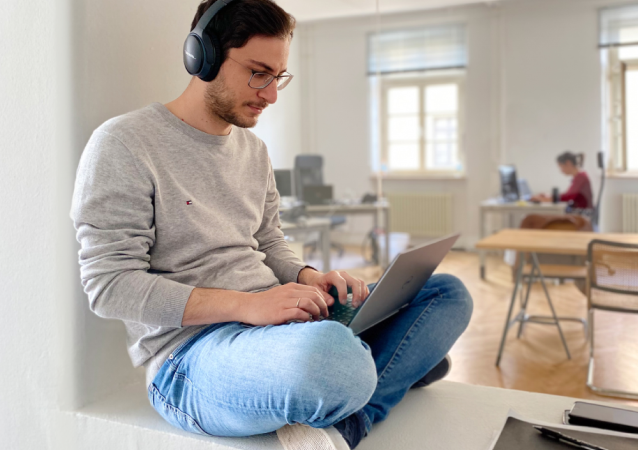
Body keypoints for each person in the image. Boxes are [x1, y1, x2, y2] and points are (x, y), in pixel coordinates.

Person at [69, 1, 473, 449]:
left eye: (277, 76)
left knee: (447, 292)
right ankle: (386, 364)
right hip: (192, 358)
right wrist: (249, 307)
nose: (271, 94)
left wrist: (309, 277)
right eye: (258, 72)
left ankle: (353, 405)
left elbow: (269, 242)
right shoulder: (124, 143)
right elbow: (109, 287)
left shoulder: (254, 151)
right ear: (201, 56)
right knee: (335, 362)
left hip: (279, 327)